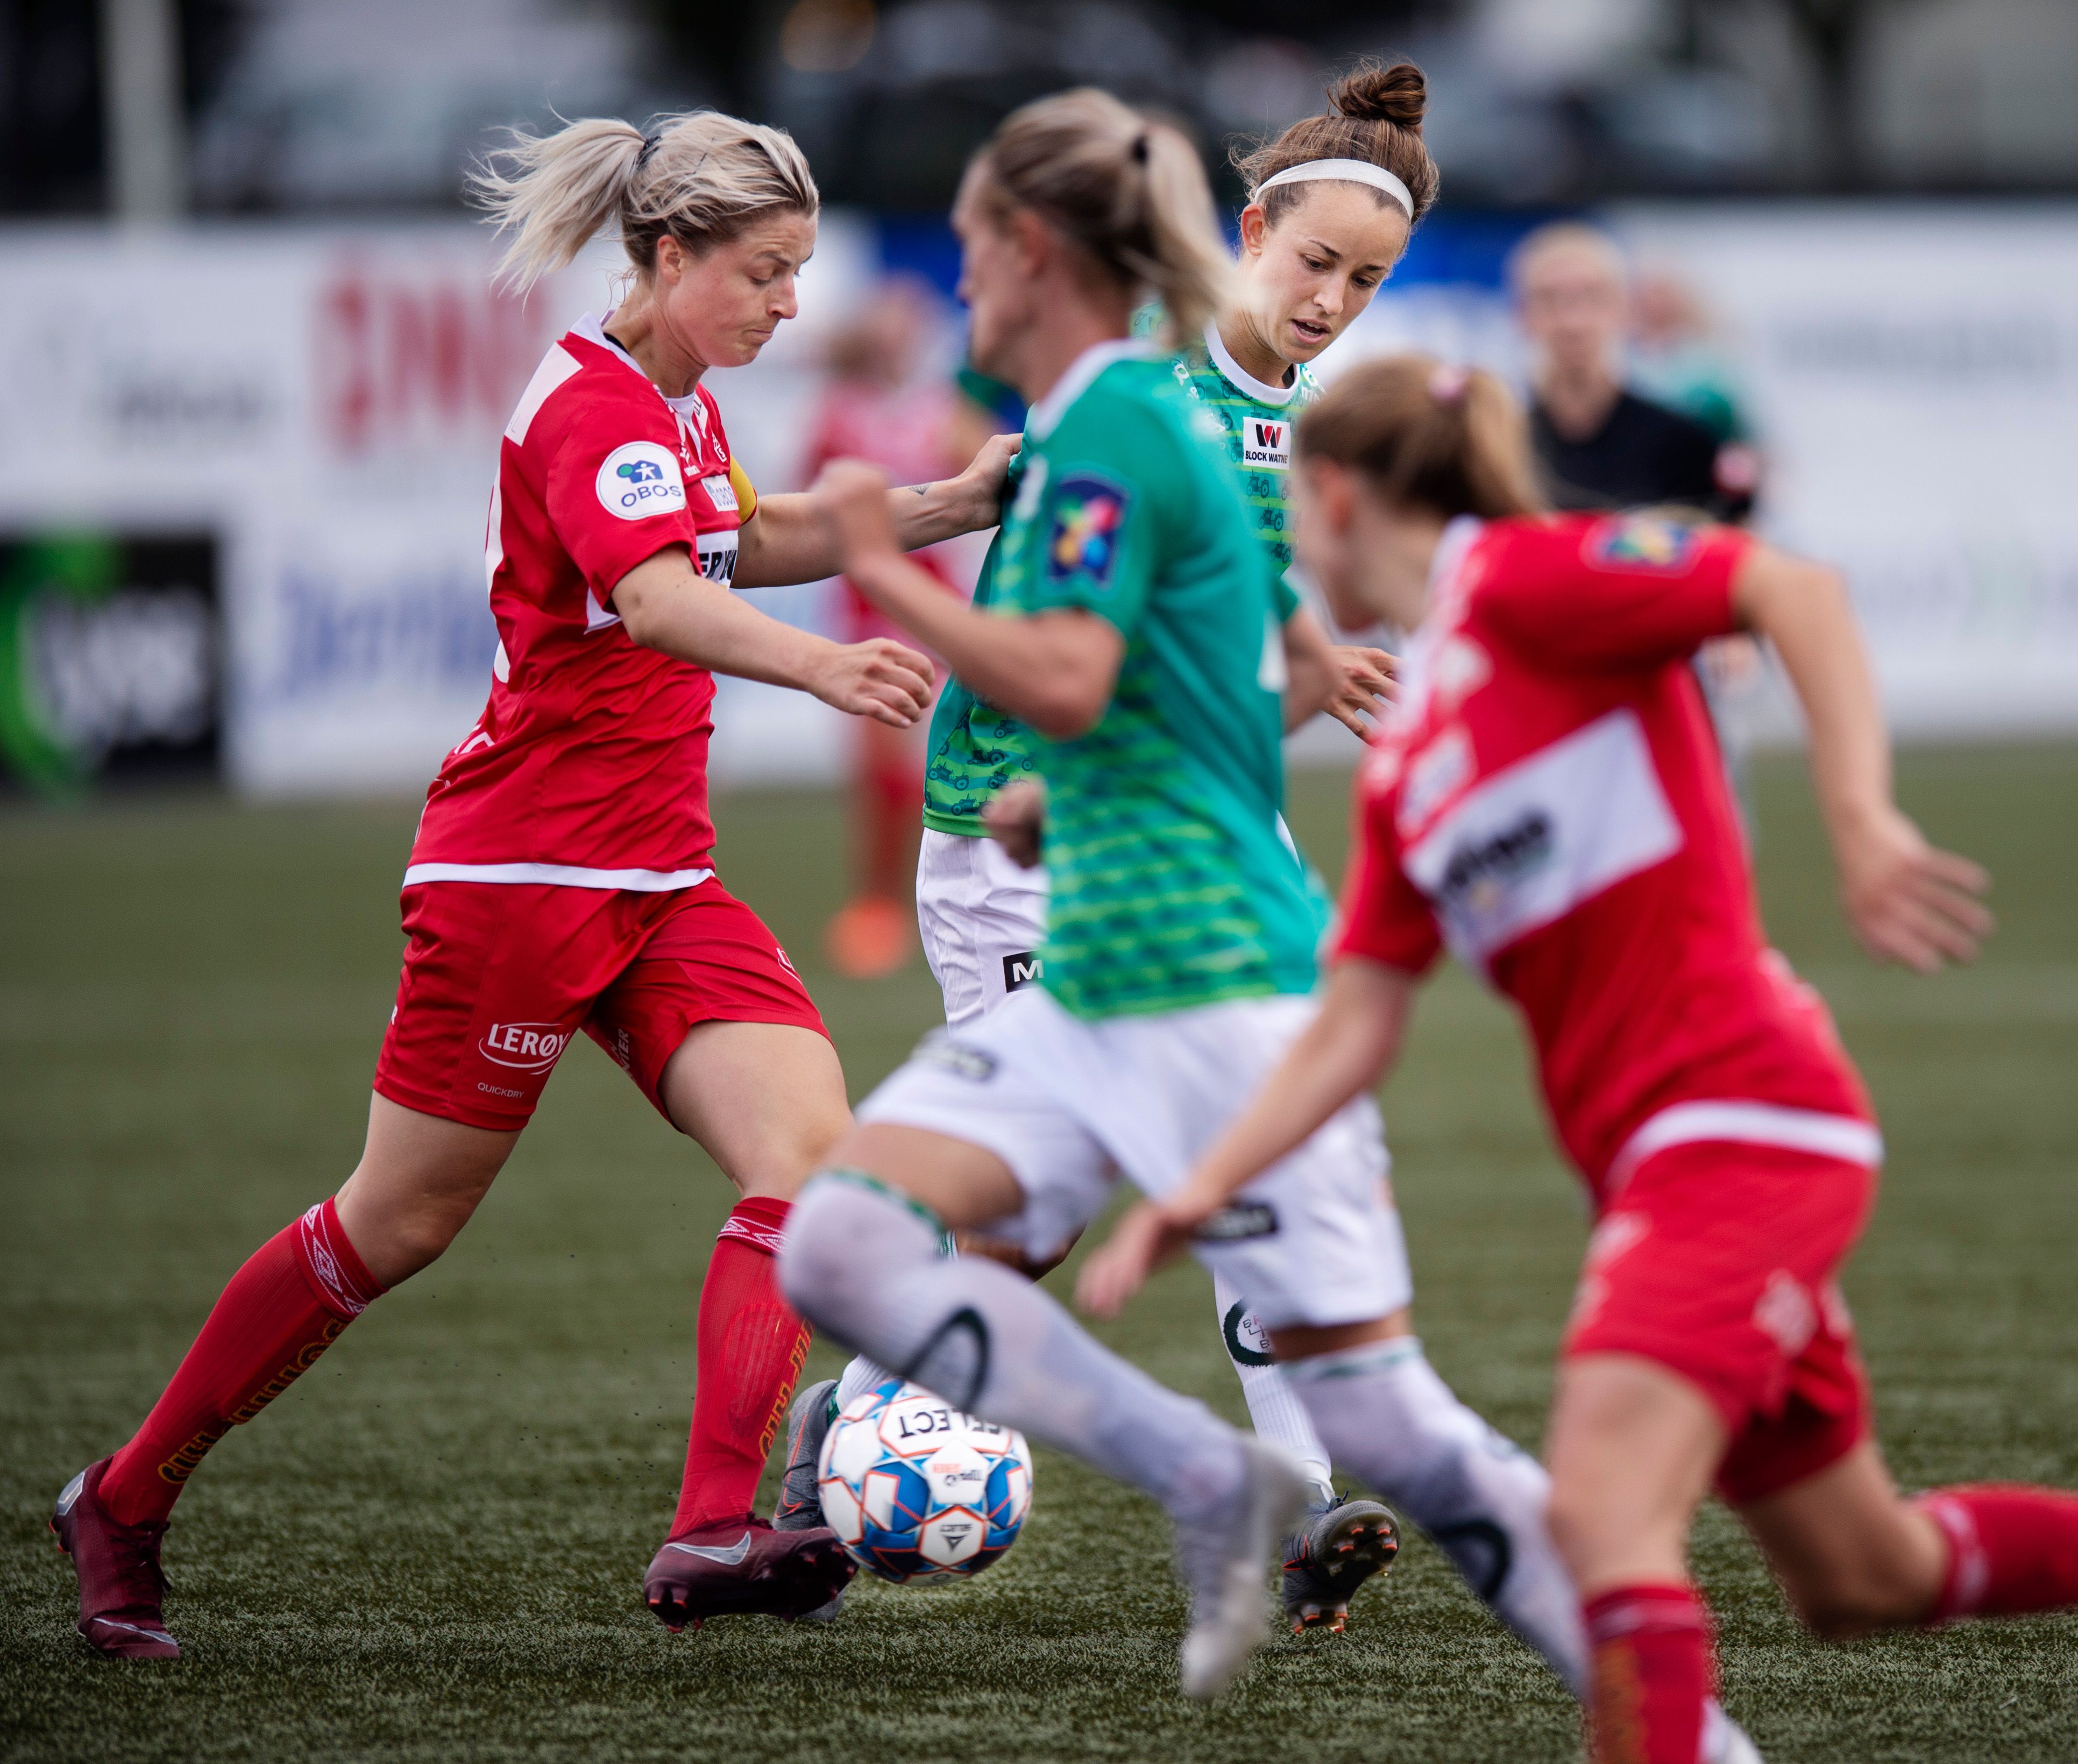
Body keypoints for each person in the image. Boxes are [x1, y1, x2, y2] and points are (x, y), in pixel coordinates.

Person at [1073, 355, 2078, 1760]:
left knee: (1603, 1515)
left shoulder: (1521, 582)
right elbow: (1354, 1020)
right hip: (1657, 1167)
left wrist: (1861, 820)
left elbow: (1792, 590)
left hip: (1746, 1120)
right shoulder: (1404, 760)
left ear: (1332, 496)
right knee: (1862, 1574)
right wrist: (1202, 1187)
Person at [47, 108, 1019, 1659]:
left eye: (800, 273)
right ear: (670, 254)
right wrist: (828, 665)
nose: (790, 304)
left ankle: (712, 1528)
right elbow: (658, 599)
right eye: (765, 272)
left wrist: (952, 503)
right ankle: (123, 1495)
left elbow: (745, 535)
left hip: (661, 881)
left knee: (811, 1157)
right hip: (519, 877)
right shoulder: (590, 405)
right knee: (398, 1221)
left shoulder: (680, 402)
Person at [772, 87, 1595, 1709]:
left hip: (1194, 867)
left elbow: (1198, 653)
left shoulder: (1266, 425)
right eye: (1316, 262)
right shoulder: (1141, 387)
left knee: (1244, 1186)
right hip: (1037, 846)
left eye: (1365, 281)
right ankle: (870, 1413)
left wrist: (1314, 669)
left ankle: (1318, 1500)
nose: (1331, 300)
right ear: (1249, 231)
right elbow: (1098, 655)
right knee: (1009, 1214)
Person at [799, 276, 1001, 980]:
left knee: (961, 753)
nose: (900, 339)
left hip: (936, 606)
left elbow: (1004, 477)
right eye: (888, 326)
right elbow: (802, 512)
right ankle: (878, 906)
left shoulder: (944, 410)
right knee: (882, 767)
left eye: (908, 327)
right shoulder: (839, 414)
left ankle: (970, 890)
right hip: (869, 611)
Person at [1513, 223, 1754, 523]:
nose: (1572, 322)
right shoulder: (1502, 448)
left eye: (1592, 297)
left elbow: (1733, 541)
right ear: (1521, 314)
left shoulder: (1683, 445)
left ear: (1625, 309)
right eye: (1549, 299)